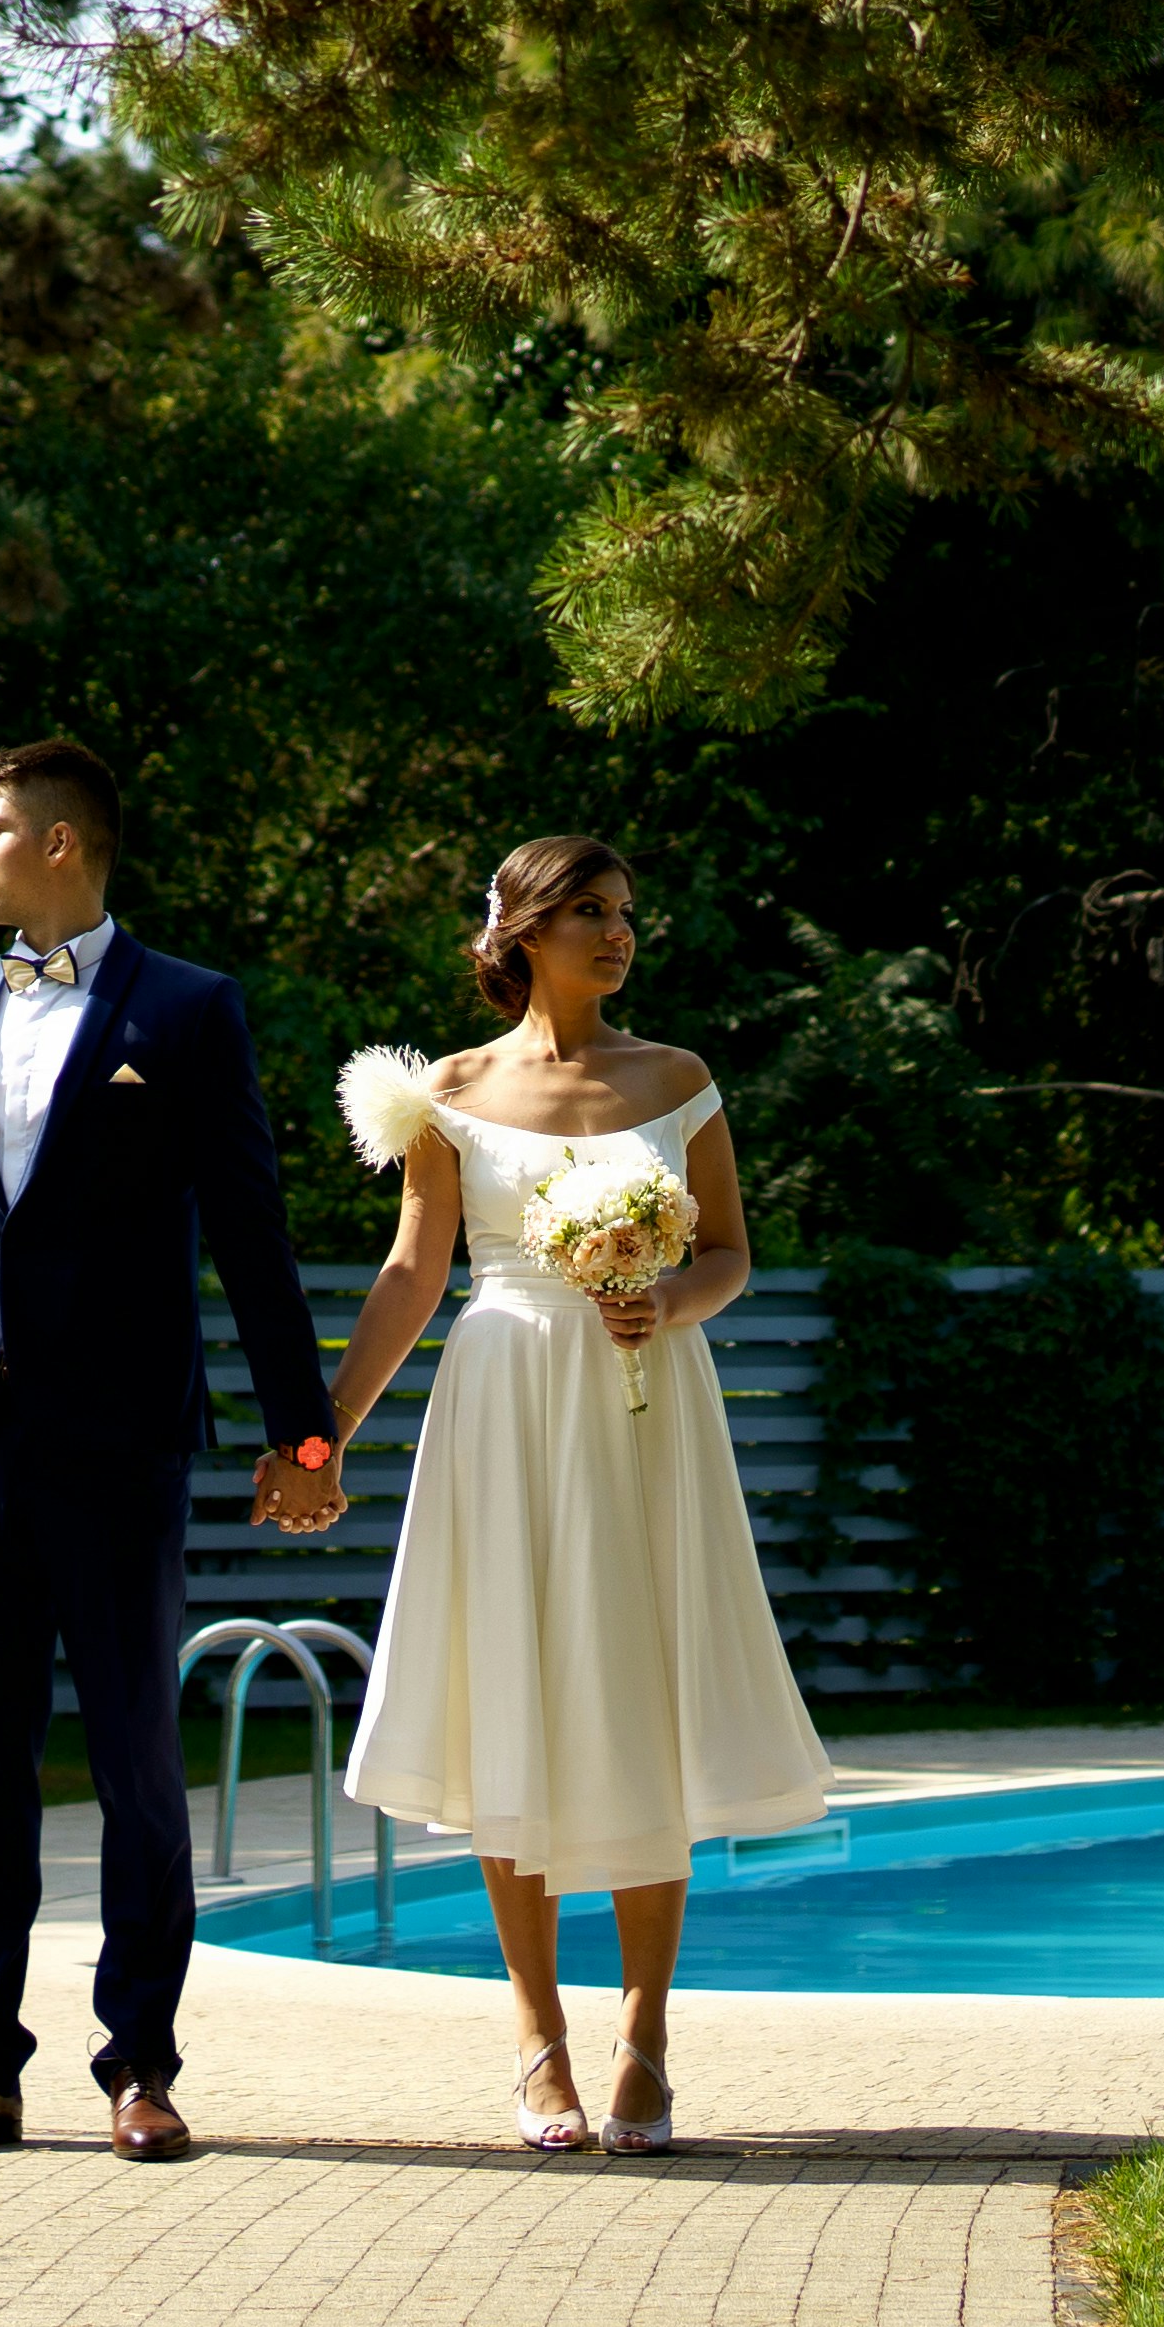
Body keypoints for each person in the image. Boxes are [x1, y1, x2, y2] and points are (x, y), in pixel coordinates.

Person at [292, 833, 833, 2156]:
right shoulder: (453, 1094)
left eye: (625, 912)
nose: (617, 931)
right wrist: (320, 1442)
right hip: (504, 1401)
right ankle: (538, 2040)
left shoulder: (678, 1077)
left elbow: (728, 1255)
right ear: (522, 929)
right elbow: (414, 1277)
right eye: (588, 910)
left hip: (647, 1415)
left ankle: (646, 2035)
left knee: (644, 1695)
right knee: (512, 1702)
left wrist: (668, 1300)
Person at [0, 736, 344, 2165]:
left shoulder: (188, 1011)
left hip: (120, 1443)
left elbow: (252, 1234)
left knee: (135, 1759)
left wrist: (300, 1433)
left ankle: (138, 2062)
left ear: (63, 845)